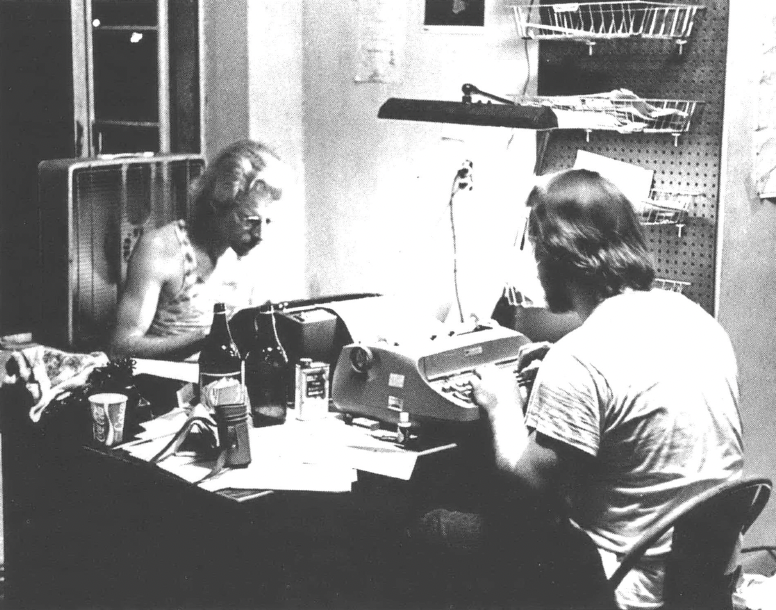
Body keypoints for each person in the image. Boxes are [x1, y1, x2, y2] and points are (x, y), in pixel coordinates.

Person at [407, 169, 744, 610]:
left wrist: (501, 402)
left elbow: (522, 496)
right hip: (703, 584)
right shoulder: (698, 322)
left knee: (431, 525)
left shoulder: (581, 357)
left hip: (623, 589)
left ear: (553, 256)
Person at [108, 140, 288, 360]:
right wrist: (209, 335)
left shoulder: (249, 251)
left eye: (268, 222)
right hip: (169, 387)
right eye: (249, 220)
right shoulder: (160, 248)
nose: (261, 235)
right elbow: (120, 348)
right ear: (218, 204)